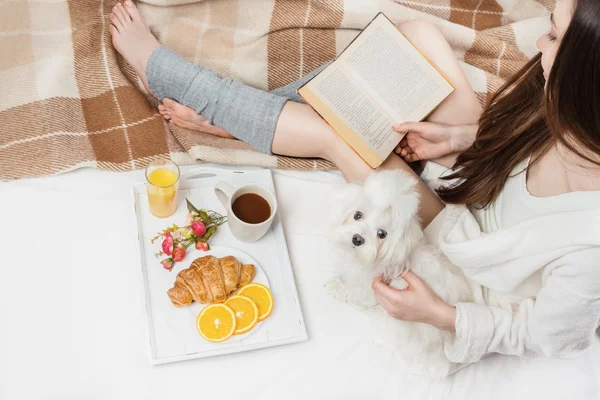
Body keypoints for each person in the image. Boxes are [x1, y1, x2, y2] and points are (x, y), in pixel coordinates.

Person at [109, 0, 600, 364]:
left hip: (464, 250)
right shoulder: (577, 110)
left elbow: (545, 335)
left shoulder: (590, 254)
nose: (539, 43)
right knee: (417, 39)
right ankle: (254, 117)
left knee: (334, 135)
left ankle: (187, 84)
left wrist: (439, 314)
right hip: (479, 177)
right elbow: (525, 154)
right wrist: (458, 136)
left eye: (553, 35)